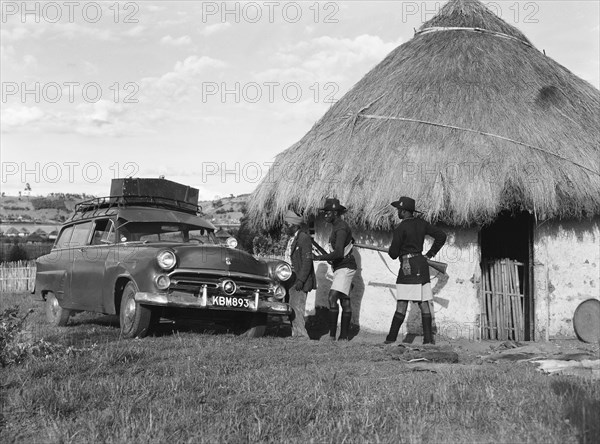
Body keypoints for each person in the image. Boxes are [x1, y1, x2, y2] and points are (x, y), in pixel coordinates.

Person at [386, 196, 447, 345]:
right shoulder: (422, 223)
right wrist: (429, 254)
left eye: (399, 210)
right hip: (421, 264)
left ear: (405, 211)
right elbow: (441, 235)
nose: (398, 212)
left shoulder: (400, 228)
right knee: (424, 303)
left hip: (408, 267)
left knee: (401, 303)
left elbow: (393, 254)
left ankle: (390, 340)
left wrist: (393, 250)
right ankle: (428, 341)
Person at [313, 198, 356, 341]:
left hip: (346, 266)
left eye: (327, 212)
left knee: (332, 297)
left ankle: (332, 336)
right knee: (344, 300)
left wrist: (318, 258)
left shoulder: (341, 228)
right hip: (341, 266)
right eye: (324, 212)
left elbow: (338, 253)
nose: (325, 215)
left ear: (335, 213)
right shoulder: (337, 227)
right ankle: (343, 337)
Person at [284, 210, 317, 339]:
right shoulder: (294, 238)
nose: (285, 227)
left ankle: (302, 336)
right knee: (292, 306)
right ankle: (296, 334)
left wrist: (301, 280)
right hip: (292, 278)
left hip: (299, 280)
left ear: (293, 225)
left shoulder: (303, 238)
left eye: (287, 224)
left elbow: (307, 261)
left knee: (297, 308)